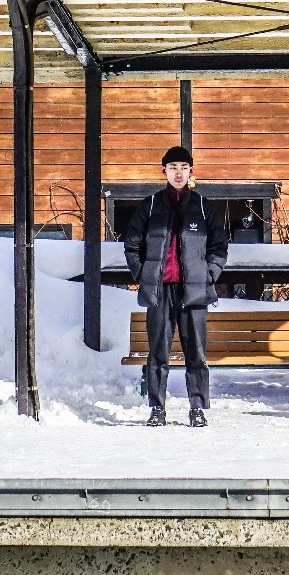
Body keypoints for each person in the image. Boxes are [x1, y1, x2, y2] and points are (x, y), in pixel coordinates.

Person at [122, 145, 229, 427]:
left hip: (193, 293)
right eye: (172, 168)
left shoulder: (204, 207)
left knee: (196, 354)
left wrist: (208, 276)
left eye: (183, 168)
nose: (178, 173)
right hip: (160, 292)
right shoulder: (151, 206)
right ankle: (157, 408)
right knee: (158, 354)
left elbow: (219, 248)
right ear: (164, 172)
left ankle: (197, 408)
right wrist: (144, 275)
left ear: (191, 172)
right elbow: (132, 246)